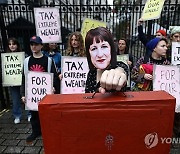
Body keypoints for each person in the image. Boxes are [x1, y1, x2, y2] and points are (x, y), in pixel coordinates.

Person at [21, 36, 58, 143]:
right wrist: (23, 94)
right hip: (32, 93)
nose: (34, 46)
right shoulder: (27, 61)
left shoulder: (48, 60)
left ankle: (48, 131)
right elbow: (24, 79)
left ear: (41, 46)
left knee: (46, 113)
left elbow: (54, 75)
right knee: (34, 114)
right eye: (32, 44)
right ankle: (35, 132)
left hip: (45, 93)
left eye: (36, 44)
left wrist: (53, 86)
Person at [84, 27, 128, 93]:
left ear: (111, 49)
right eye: (94, 49)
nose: (100, 54)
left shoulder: (120, 65)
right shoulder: (91, 73)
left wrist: (118, 75)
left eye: (104, 47)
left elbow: (121, 71)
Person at [5, 37, 23, 124]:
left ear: (17, 45)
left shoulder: (23, 55)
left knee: (26, 98)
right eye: (10, 44)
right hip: (13, 81)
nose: (12, 46)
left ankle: (30, 114)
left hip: (23, 80)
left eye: (14, 44)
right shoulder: (5, 57)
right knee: (15, 99)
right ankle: (17, 115)